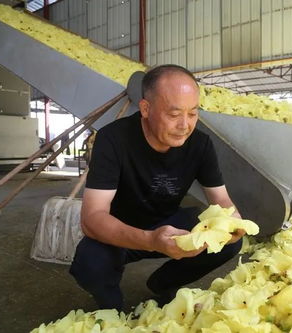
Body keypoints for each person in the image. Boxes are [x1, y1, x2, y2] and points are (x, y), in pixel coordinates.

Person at [69, 64, 245, 311]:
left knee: (231, 242)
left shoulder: (200, 144)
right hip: (121, 229)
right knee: (89, 263)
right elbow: (92, 218)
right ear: (145, 108)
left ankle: (163, 284)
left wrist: (233, 221)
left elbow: (221, 200)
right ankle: (112, 309)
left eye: (193, 113)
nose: (185, 125)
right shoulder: (112, 139)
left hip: (169, 222)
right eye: (174, 115)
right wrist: (151, 239)